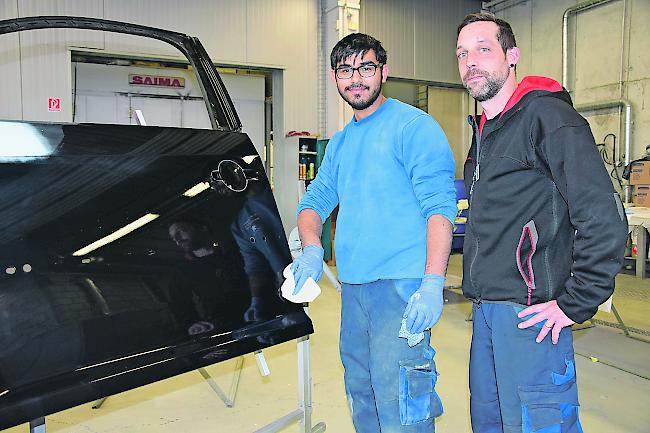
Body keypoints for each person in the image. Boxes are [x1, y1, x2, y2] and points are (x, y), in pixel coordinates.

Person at [455, 12, 628, 433]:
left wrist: (576, 301)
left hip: (531, 315)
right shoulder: (485, 132)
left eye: (483, 49)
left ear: (511, 56)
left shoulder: (548, 118)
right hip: (484, 311)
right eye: (462, 54)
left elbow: (604, 215)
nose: (470, 62)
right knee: (490, 421)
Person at [291, 33, 457, 432]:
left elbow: (440, 208)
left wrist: (433, 282)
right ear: (335, 78)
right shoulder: (341, 144)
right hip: (354, 290)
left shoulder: (414, 127)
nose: (356, 79)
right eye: (346, 71)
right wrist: (312, 249)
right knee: (362, 394)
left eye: (365, 68)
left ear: (383, 70)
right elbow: (312, 204)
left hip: (400, 289)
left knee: (401, 401)